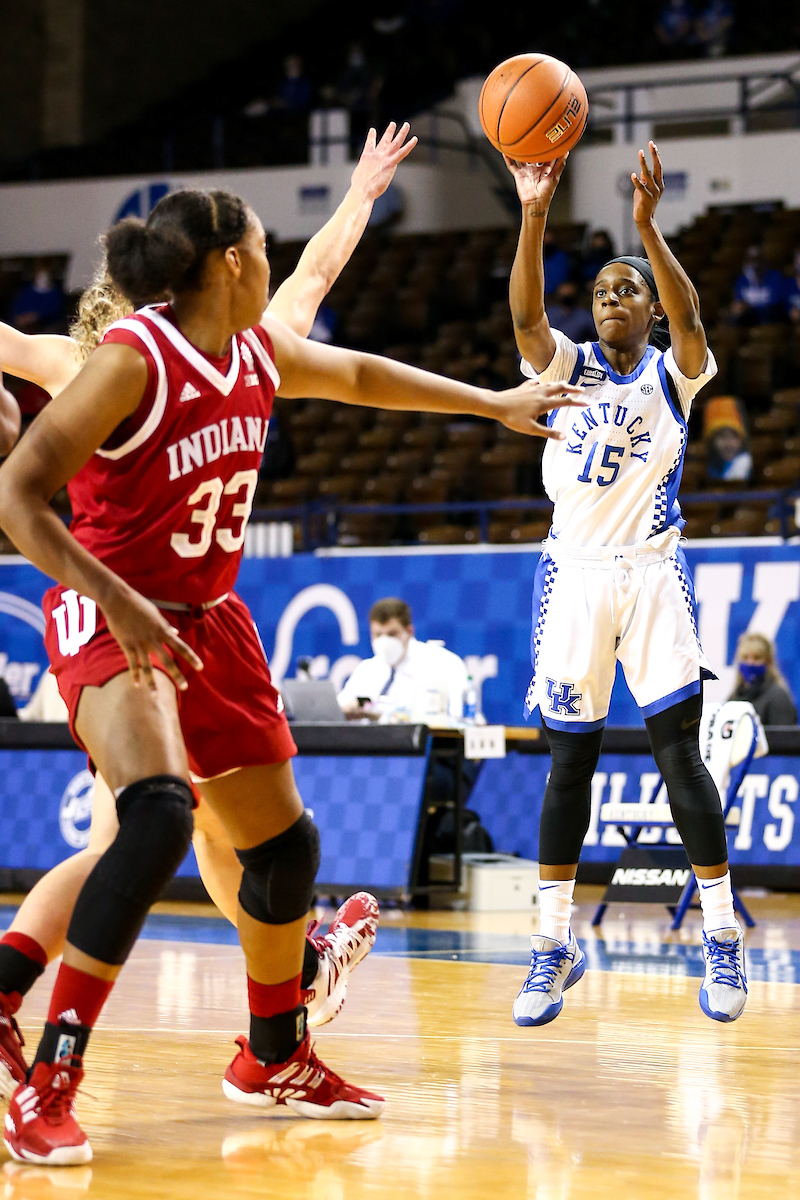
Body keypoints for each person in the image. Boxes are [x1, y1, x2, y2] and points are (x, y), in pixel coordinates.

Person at [0, 182, 581, 1163]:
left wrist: (493, 404)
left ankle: (274, 1053)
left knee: (284, 854)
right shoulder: (128, 360)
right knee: (152, 816)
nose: (275, 256)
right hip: (109, 604)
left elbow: (357, 374)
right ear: (231, 262)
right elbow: (19, 496)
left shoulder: (257, 354)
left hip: (205, 620)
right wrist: (121, 597)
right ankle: (50, 1073)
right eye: (265, 243)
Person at [0, 122, 421, 1120]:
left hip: (197, 622)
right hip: (119, 620)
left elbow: (309, 287)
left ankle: (280, 1001)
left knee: (226, 840)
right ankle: (268, 989)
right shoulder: (101, 365)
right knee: (149, 836)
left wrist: (359, 199)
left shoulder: (226, 349)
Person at [504, 140, 748, 1033]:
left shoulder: (674, 375)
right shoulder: (560, 368)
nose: (613, 299)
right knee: (569, 762)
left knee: (678, 756)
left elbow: (690, 318)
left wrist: (647, 229)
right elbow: (526, 312)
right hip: (574, 575)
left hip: (651, 573)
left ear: (647, 307)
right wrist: (534, 214)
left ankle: (722, 935)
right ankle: (552, 943)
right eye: (603, 289)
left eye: (628, 289)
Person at [337, 597, 468, 724]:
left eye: (392, 634)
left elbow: (457, 718)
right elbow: (336, 711)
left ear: (409, 631)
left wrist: (385, 717)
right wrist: (348, 711)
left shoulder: (443, 663)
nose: (384, 641)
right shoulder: (366, 669)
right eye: (378, 634)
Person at [729, 632, 797, 725]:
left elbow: (783, 737)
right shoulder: (734, 698)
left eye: (757, 658)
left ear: (768, 662)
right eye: (745, 658)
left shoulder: (778, 698)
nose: (750, 663)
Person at [731, 246, 787, 326]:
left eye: (756, 260)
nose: (754, 265)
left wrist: (750, 306)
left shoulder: (775, 277)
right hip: (749, 318)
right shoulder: (741, 280)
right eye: (750, 260)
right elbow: (738, 303)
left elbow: (775, 303)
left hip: (770, 318)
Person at [703, 395, 752, 482]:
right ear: (710, 441)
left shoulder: (745, 464)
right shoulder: (704, 467)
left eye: (733, 437)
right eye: (721, 437)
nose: (728, 443)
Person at [10, 262, 65, 334]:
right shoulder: (25, 293)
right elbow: (16, 311)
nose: (42, 278)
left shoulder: (55, 294)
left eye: (45, 275)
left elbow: (55, 312)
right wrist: (24, 318)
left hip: (44, 328)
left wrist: (36, 317)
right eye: (40, 275)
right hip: (22, 328)